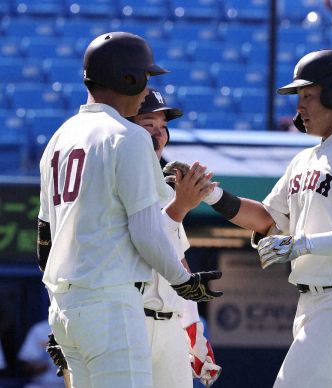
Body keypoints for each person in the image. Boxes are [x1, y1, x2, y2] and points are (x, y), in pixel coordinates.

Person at [175, 49, 332, 387]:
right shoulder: (305, 158)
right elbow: (268, 218)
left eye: (308, 95)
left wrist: (302, 244)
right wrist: (211, 194)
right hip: (314, 303)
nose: (300, 106)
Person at [37, 31, 222, 388]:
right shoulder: (128, 136)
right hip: (110, 306)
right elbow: (146, 231)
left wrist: (58, 313)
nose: (145, 88)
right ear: (129, 78)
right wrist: (184, 282)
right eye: (145, 77)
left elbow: (44, 241)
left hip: (65, 307)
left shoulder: (58, 139)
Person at [130, 89, 222, 388]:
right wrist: (180, 207)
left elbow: (177, 260)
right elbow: (143, 242)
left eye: (162, 128)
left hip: (168, 323)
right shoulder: (114, 177)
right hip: (129, 322)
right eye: (148, 126)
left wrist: (193, 326)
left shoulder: (166, 187)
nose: (158, 136)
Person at [18, 320, 64, 388]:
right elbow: (26, 366)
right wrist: (36, 367)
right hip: (41, 384)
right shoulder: (40, 329)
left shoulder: (81, 329)